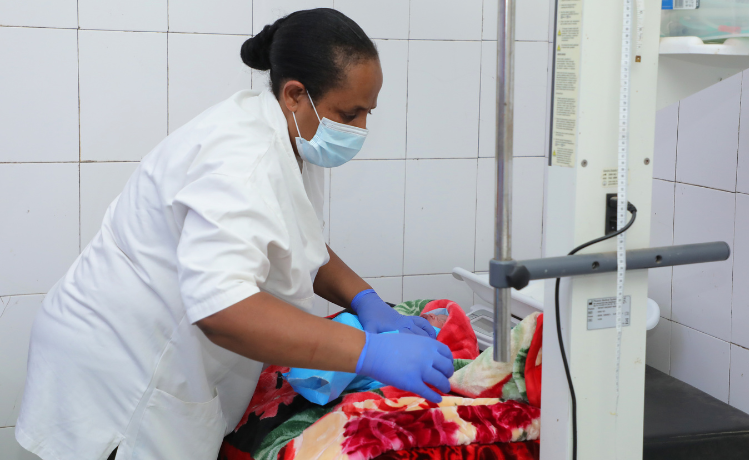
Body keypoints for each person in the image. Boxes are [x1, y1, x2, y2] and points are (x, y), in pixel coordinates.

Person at [15, 9, 453, 460]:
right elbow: (222, 309)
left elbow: (293, 239)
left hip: (146, 354)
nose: (360, 128)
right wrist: (368, 353)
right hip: (118, 374)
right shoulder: (243, 158)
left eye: (367, 113)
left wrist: (366, 301)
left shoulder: (292, 132)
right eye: (350, 112)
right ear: (295, 94)